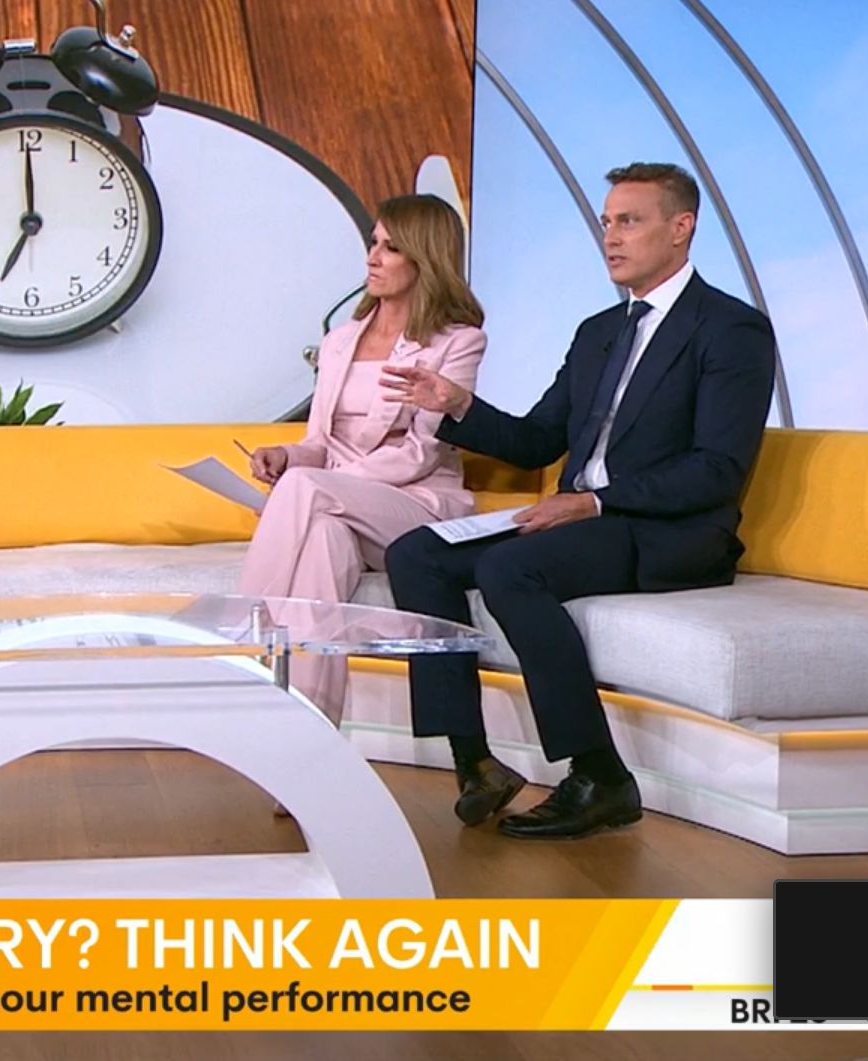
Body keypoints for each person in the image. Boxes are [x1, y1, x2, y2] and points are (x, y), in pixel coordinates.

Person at [380, 163, 777, 839]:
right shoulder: (599, 331)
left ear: (681, 228)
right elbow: (537, 440)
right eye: (606, 222)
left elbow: (716, 470)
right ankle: (475, 761)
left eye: (630, 221)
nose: (611, 237)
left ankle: (600, 776)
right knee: (416, 555)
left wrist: (592, 504)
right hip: (584, 519)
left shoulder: (731, 328)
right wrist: (457, 404)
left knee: (510, 567)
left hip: (668, 530)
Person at [238, 193, 486, 724]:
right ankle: (306, 733)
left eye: (391, 247)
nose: (373, 257)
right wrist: (288, 455)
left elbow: (421, 453)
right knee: (322, 546)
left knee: (306, 490)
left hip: (414, 504)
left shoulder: (457, 343)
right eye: (373, 243)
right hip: (334, 505)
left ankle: (243, 635)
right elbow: (319, 442)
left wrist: (321, 480)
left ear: (425, 257)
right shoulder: (340, 340)